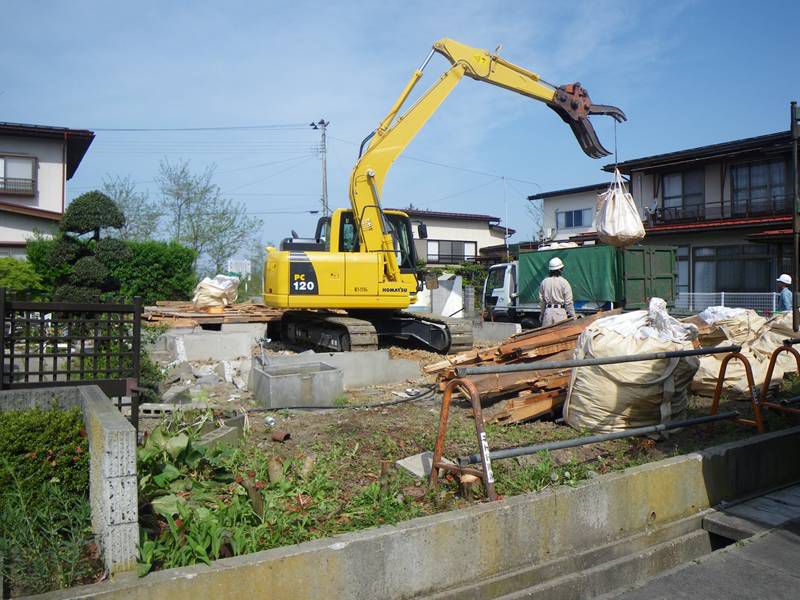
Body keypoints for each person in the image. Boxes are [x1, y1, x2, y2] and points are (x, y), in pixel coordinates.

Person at [539, 257, 575, 327]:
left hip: (548, 313)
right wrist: (573, 316)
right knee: (560, 335)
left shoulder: (544, 282)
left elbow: (542, 301)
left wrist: (542, 314)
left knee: (546, 336)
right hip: (560, 314)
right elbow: (568, 303)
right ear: (560, 270)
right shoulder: (564, 282)